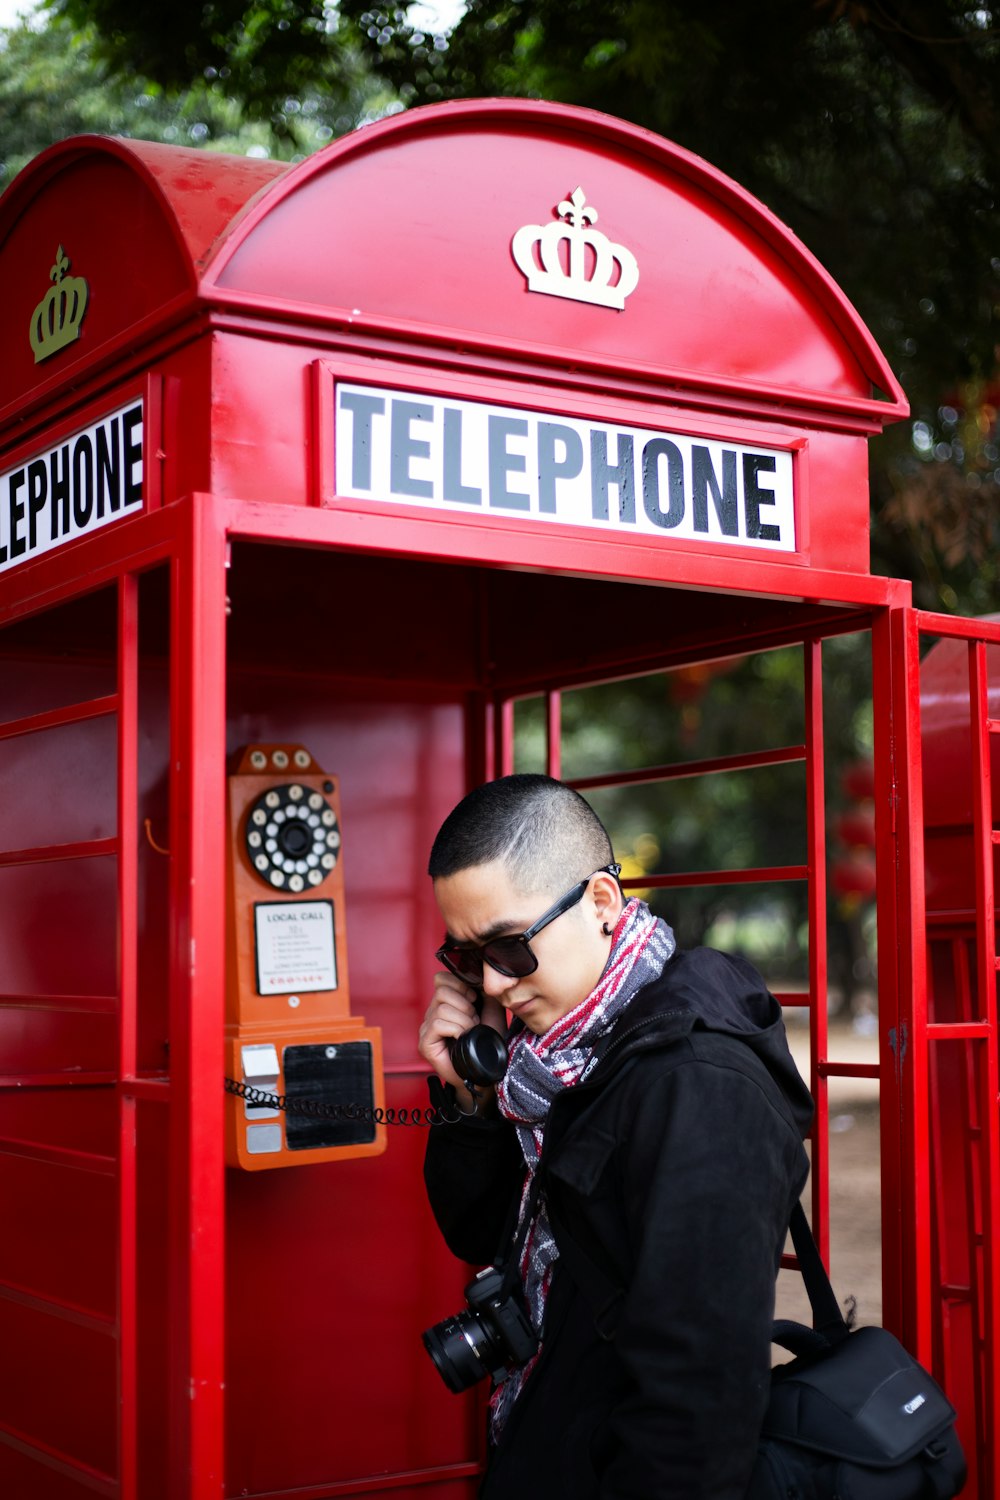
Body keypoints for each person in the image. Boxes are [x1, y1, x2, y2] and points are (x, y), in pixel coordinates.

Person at [418, 774, 813, 1499]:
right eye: (466, 959)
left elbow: (696, 1403)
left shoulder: (696, 1085)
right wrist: (468, 1098)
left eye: (509, 948)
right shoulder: (543, 1067)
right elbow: (478, 1233)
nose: (494, 986)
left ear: (601, 902)